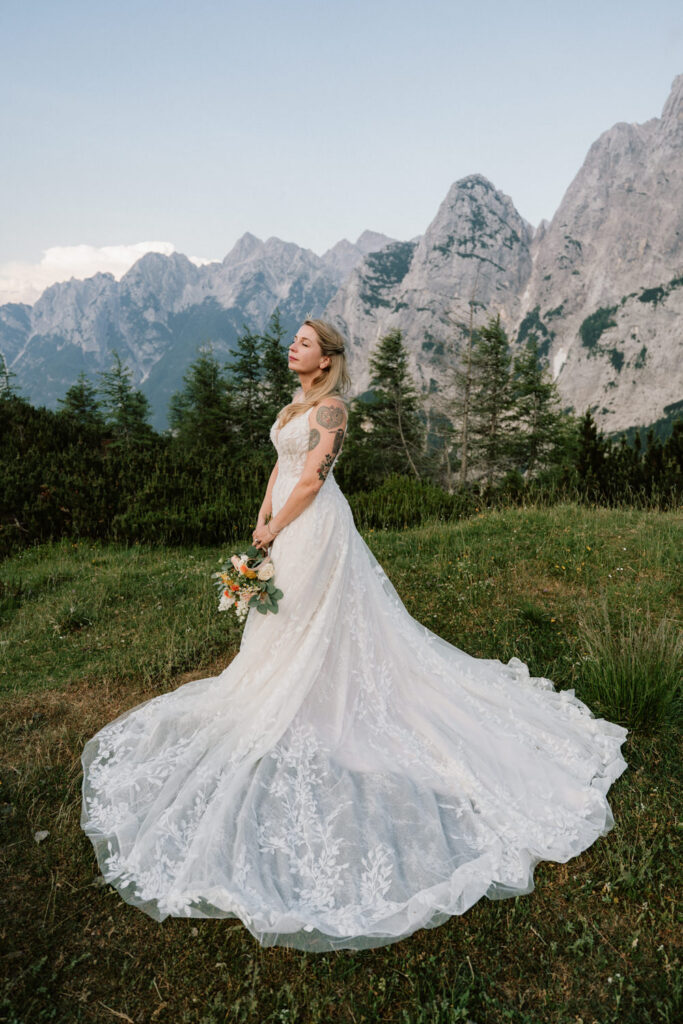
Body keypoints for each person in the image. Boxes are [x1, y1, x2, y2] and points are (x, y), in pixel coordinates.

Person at [80, 318, 628, 953]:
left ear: (328, 359)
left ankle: (322, 700)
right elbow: (281, 466)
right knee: (285, 628)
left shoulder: (334, 409)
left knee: (315, 622)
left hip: (314, 531)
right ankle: (292, 693)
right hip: (286, 521)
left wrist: (275, 529)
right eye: (295, 341)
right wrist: (263, 512)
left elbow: (312, 479)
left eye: (305, 344)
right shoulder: (297, 404)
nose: (294, 347)